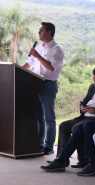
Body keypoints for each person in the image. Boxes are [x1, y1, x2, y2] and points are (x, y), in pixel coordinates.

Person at [22, 22, 64, 155]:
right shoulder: (40, 48)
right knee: (38, 117)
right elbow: (30, 63)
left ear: (49, 32)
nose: (38, 33)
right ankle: (39, 143)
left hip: (48, 84)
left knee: (49, 117)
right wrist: (17, 68)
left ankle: (49, 146)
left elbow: (51, 67)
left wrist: (37, 56)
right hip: (35, 83)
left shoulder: (57, 49)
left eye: (41, 31)